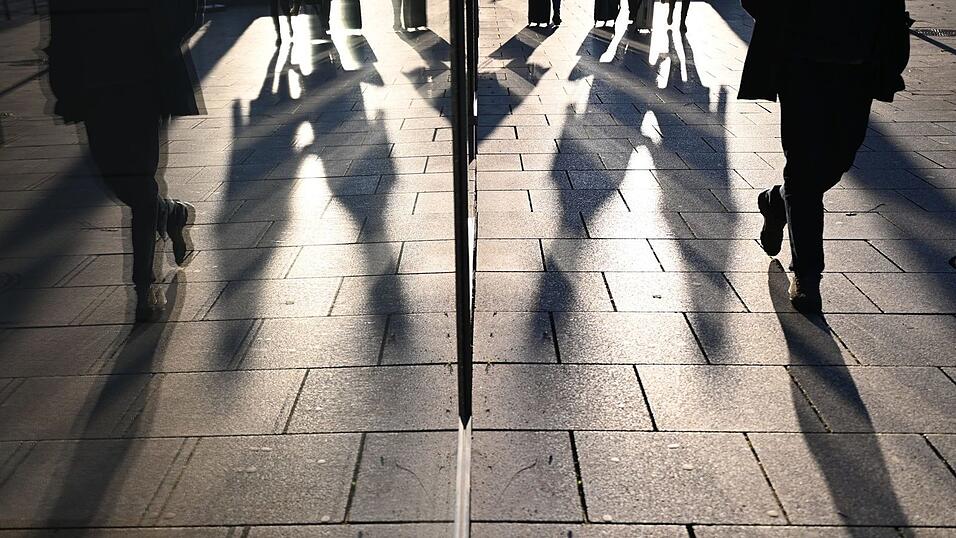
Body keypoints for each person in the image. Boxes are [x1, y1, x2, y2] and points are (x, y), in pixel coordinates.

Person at [738, 0, 909, 312]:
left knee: (838, 162)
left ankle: (776, 202)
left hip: (860, 65)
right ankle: (807, 274)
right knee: (803, 170)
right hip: (801, 63)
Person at [47, 0, 202, 322]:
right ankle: (172, 212)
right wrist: (64, 86)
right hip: (92, 87)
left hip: (143, 82)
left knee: (139, 185)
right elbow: (60, 27)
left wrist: (158, 42)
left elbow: (186, 9)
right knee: (121, 186)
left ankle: (144, 287)